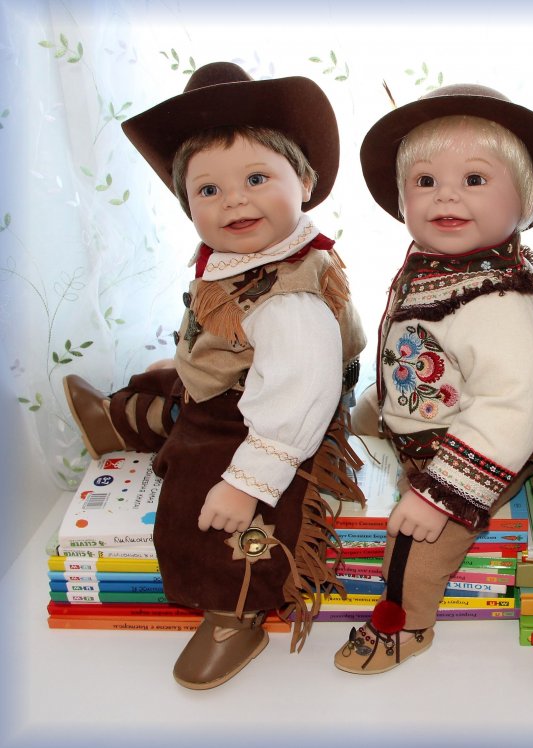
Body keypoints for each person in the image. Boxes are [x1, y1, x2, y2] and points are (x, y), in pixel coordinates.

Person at [62, 62, 366, 689]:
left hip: (275, 419)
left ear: (305, 181)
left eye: (256, 178)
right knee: (167, 378)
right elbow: (227, 333)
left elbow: (296, 398)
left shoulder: (291, 301)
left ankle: (235, 609)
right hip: (240, 382)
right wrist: (187, 359)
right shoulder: (239, 258)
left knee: (204, 500)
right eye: (208, 189)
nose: (234, 199)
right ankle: (125, 420)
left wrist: (247, 483)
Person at [334, 84, 533, 673]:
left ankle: (405, 624)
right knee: (357, 418)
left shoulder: (499, 301)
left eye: (474, 179)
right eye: (425, 181)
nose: (446, 195)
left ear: (525, 201)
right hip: (428, 402)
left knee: (414, 541)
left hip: (482, 444)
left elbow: (510, 407)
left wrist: (438, 494)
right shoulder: (451, 264)